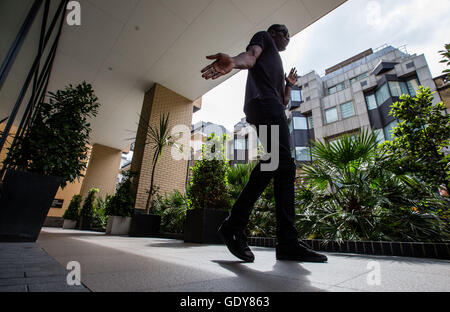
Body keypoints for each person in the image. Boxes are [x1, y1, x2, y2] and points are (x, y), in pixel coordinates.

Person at [201, 24, 327, 263]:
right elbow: (249, 57)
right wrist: (233, 62)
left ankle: (285, 241)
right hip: (263, 105)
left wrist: (288, 85)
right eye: (284, 32)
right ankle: (236, 226)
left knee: (280, 166)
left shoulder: (277, 66)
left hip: (272, 107)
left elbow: (284, 101)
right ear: (274, 33)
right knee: (280, 162)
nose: (288, 37)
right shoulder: (263, 38)